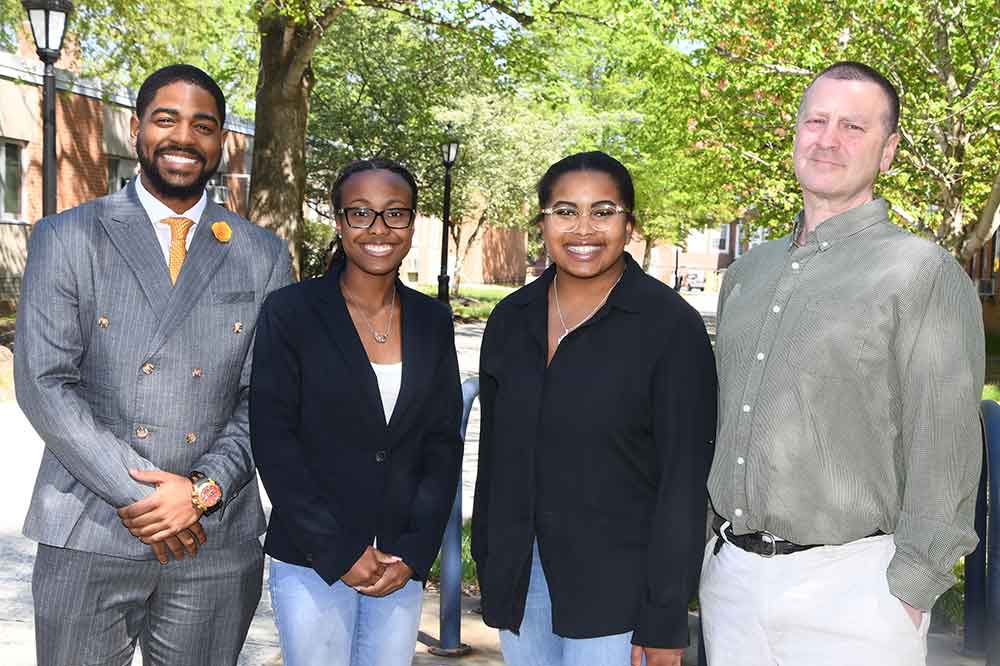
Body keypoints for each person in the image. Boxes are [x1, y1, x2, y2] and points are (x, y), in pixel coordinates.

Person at [701, 61, 984, 665]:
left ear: (887, 151)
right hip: (732, 586)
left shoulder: (923, 273)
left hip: (854, 594)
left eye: (854, 127)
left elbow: (947, 444)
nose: (829, 139)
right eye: (816, 121)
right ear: (796, 133)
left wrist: (911, 588)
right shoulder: (747, 274)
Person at [14, 64, 292, 665]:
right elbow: (45, 384)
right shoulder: (68, 236)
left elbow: (265, 397)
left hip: (213, 540)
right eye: (166, 119)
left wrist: (200, 492)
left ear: (222, 141)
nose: (183, 137)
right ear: (137, 127)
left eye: (204, 125)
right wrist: (147, 498)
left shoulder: (262, 254)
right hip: (89, 525)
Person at [472, 151, 717, 666]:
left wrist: (664, 616)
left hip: (621, 595)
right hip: (524, 582)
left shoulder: (669, 327)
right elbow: (496, 456)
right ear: (542, 222)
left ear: (630, 224)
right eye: (565, 211)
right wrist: (489, 562)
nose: (583, 228)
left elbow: (683, 482)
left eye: (603, 211)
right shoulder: (511, 320)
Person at [250, 158, 463, 666]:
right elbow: (274, 441)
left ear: (412, 224)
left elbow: (441, 442)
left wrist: (415, 552)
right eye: (361, 214)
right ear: (340, 222)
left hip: (397, 560)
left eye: (395, 214)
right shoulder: (292, 312)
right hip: (313, 558)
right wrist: (338, 551)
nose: (378, 229)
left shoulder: (433, 319)